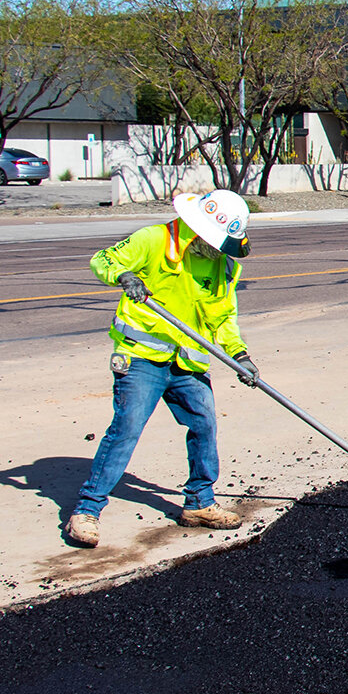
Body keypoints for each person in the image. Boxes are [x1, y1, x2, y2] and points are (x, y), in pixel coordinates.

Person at [65, 189, 257, 548]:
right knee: (126, 429)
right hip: (142, 359)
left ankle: (199, 503)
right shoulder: (153, 240)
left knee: (204, 424)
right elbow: (102, 260)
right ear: (198, 231)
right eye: (216, 242)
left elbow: (225, 317)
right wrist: (123, 276)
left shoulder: (226, 265)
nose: (220, 250)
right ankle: (87, 509)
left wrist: (239, 355)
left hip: (188, 363)